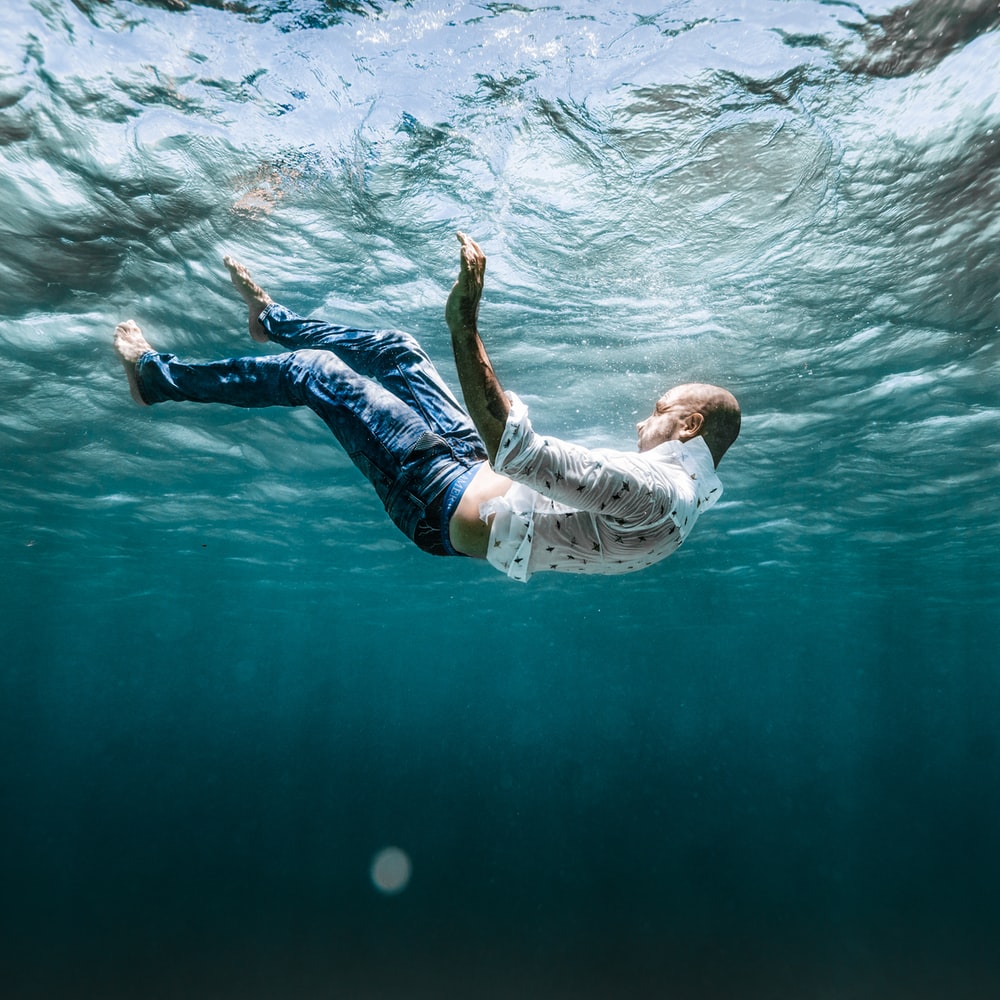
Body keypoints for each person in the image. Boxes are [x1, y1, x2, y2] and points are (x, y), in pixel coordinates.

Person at [114, 233, 740, 581]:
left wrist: (464, 323)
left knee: (318, 374)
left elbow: (514, 450)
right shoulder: (681, 505)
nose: (641, 420)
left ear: (688, 424)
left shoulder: (660, 492)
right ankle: (271, 320)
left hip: (436, 495)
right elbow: (541, 499)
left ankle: (152, 377)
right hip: (470, 468)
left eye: (658, 410)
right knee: (398, 351)